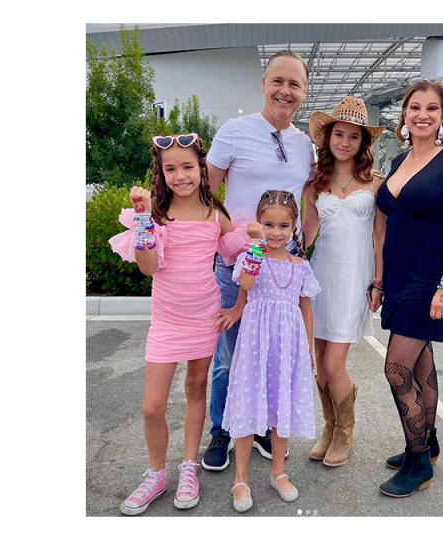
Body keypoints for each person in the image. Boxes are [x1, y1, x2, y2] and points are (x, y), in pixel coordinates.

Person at [108, 134, 251, 515]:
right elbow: (148, 267)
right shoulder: (155, 214)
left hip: (204, 317)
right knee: (152, 406)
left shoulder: (213, 214)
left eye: (188, 166)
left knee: (195, 387)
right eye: (170, 168)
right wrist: (141, 218)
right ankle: (156, 473)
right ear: (161, 172)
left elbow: (242, 258)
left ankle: (189, 466)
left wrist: (240, 302)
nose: (180, 175)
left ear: (202, 168)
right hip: (167, 323)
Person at [201, 50, 315, 472]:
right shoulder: (235, 131)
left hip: (283, 270)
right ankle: (222, 430)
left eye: (295, 84)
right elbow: (203, 194)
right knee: (229, 355)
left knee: (272, 352)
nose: (286, 91)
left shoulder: (305, 144)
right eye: (278, 81)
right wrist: (231, 237)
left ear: (304, 91)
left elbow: (311, 200)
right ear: (264, 84)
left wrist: (300, 246)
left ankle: (265, 427)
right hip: (237, 267)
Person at [373, 79, 443, 497]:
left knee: (396, 368)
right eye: (414, 107)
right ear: (404, 115)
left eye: (432, 108)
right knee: (420, 365)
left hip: (431, 280)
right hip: (399, 279)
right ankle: (426, 440)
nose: (421, 114)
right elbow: (385, 224)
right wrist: (380, 280)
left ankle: (418, 461)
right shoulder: (400, 159)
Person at [221, 190, 320, 512]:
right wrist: (256, 244)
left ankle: (278, 472)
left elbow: (305, 308)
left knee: (280, 407)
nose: (275, 232)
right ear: (258, 223)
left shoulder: (301, 266)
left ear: (294, 227)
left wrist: (307, 348)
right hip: (255, 345)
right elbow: (246, 285)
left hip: (288, 347)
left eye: (283, 226)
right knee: (250, 406)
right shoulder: (253, 257)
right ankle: (240, 478)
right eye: (268, 224)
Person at [301, 96, 385, 467]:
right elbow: (305, 236)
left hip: (355, 278)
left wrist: (379, 281)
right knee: (320, 364)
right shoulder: (314, 184)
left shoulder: (377, 184)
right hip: (320, 278)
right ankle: (329, 427)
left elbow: (380, 238)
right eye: (339, 134)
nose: (345, 142)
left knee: (334, 364)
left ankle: (345, 432)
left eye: (354, 136)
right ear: (328, 137)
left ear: (363, 142)